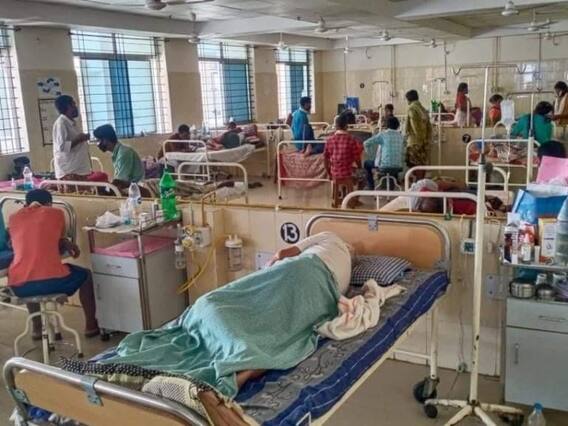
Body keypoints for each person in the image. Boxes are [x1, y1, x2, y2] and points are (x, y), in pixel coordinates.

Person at [93, 232, 352, 425]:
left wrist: (263, 276)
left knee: (217, 307)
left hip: (301, 274)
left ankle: (154, 376)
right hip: (312, 284)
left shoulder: (328, 237)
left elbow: (282, 255)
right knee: (277, 338)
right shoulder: (343, 268)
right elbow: (319, 297)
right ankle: (215, 385)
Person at [7, 189, 98, 339]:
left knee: (29, 274)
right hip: (53, 283)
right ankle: (91, 325)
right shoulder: (56, 213)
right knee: (86, 275)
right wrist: (65, 241)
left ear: (26, 204)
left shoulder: (13, 218)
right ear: (49, 203)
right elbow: (57, 239)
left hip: (20, 287)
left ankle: (37, 328)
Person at [93, 124, 144, 190]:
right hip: (129, 187)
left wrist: (107, 188)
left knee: (101, 190)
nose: (97, 144)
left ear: (106, 140)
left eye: (98, 140)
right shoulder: (117, 153)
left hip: (136, 190)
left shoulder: (124, 153)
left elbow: (120, 182)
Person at [52, 95, 91, 180]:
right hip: (70, 173)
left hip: (78, 170)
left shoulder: (71, 122)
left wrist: (83, 138)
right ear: (67, 106)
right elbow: (62, 148)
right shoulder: (61, 124)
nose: (76, 107)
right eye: (73, 104)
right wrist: (78, 139)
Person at [363, 116, 404, 189]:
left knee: (366, 164)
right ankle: (392, 185)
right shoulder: (401, 136)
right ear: (398, 126)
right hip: (398, 166)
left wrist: (371, 155)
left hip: (384, 166)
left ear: (387, 125)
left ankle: (371, 187)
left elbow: (366, 143)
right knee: (392, 161)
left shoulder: (383, 134)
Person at [324, 112, 363, 181]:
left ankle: (339, 188)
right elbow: (357, 157)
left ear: (336, 126)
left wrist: (329, 173)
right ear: (346, 126)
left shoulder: (329, 139)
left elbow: (325, 158)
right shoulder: (351, 139)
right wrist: (360, 167)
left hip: (334, 172)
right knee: (361, 174)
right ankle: (359, 185)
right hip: (347, 172)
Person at [405, 90, 432, 179]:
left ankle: (418, 182)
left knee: (414, 164)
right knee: (422, 163)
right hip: (424, 142)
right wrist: (426, 139)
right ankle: (421, 182)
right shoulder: (423, 109)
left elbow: (414, 125)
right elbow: (429, 126)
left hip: (414, 141)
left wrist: (418, 137)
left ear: (408, 99)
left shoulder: (412, 108)